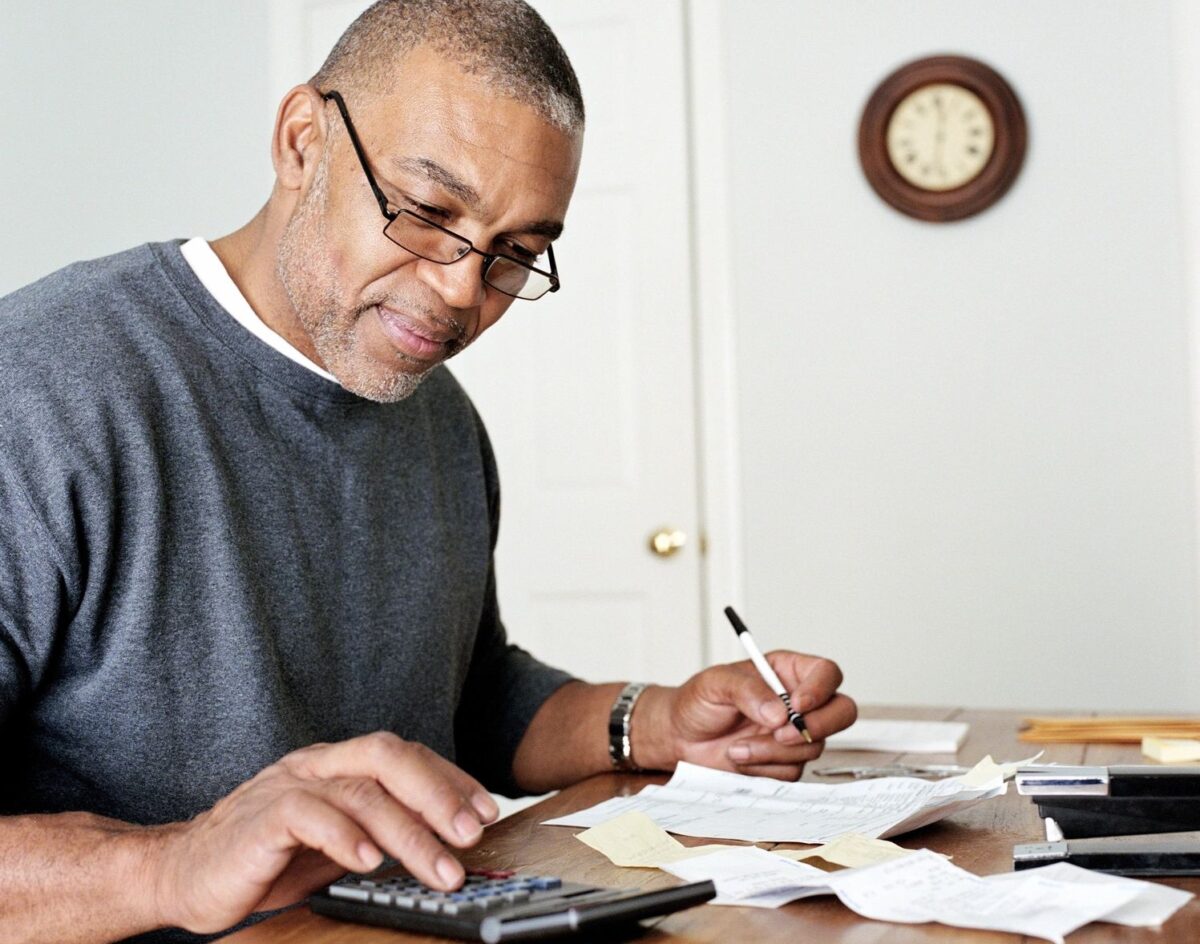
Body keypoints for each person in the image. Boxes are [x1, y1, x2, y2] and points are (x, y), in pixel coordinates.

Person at [0, 2, 856, 942]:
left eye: (516, 252)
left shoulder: (434, 411)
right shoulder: (40, 391)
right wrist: (172, 866)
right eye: (426, 213)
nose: (460, 291)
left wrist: (650, 723)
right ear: (300, 142)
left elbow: (468, 696)